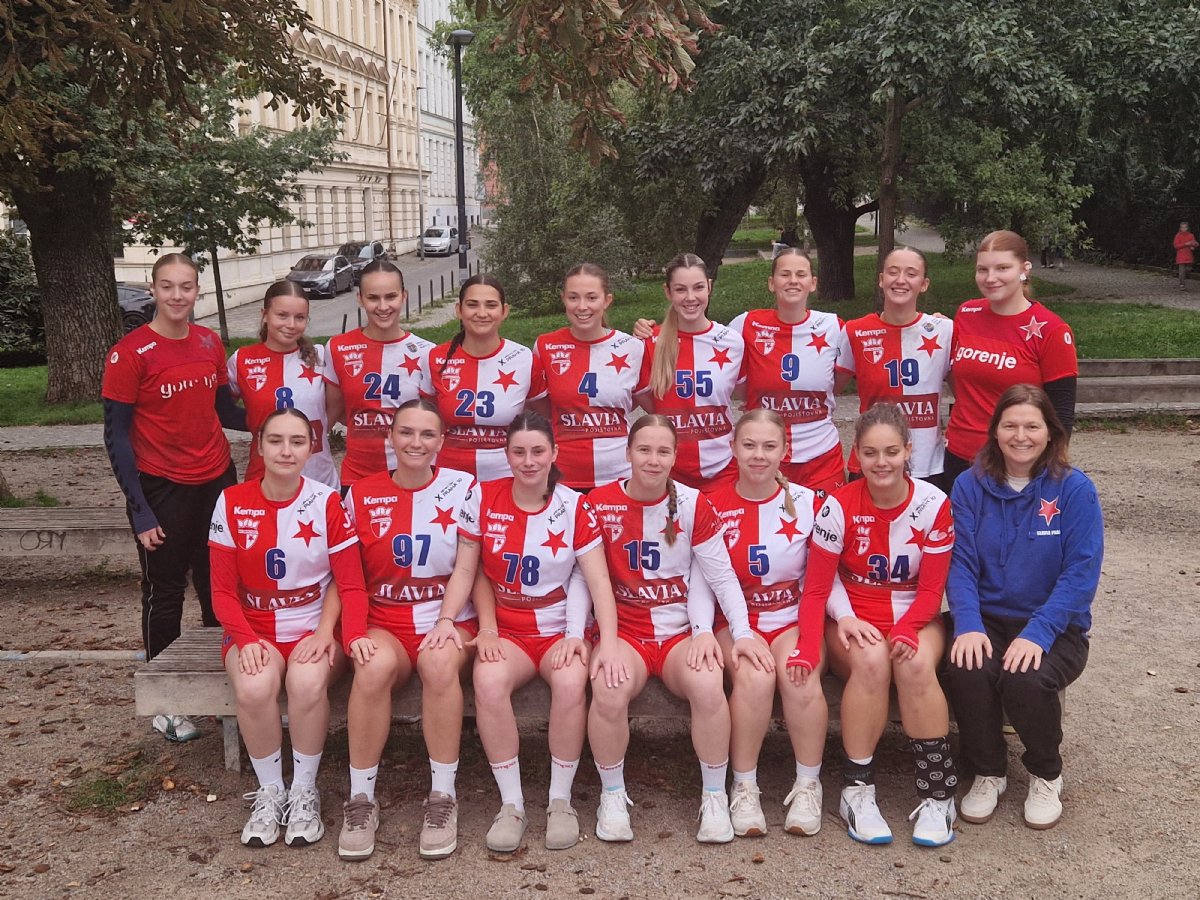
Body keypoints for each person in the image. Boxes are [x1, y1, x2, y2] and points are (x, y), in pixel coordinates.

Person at [587, 415, 772, 844]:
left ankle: (714, 797)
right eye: (644, 450)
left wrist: (739, 632)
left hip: (677, 634)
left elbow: (720, 576)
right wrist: (591, 638)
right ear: (628, 452)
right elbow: (586, 579)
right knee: (608, 688)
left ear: (675, 457)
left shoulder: (692, 503)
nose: (653, 460)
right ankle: (612, 796)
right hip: (626, 633)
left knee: (708, 684)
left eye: (663, 451)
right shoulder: (598, 502)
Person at [451, 411, 624, 853]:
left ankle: (560, 800)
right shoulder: (483, 496)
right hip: (507, 628)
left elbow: (598, 581)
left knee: (570, 681)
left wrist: (605, 640)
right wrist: (481, 627)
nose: (528, 461)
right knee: (488, 680)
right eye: (519, 452)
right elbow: (469, 570)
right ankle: (512, 804)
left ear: (554, 453)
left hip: (558, 628)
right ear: (506, 454)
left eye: (537, 451)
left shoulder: (575, 505)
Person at [788, 402, 958, 847]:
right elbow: (816, 589)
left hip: (914, 613)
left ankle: (938, 794)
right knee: (871, 662)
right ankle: (857, 790)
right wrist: (811, 642)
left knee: (914, 664)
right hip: (854, 616)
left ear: (908, 451)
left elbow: (932, 591)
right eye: (870, 453)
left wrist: (907, 627)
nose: (881, 463)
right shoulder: (838, 505)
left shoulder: (934, 503)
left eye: (891, 452)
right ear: (856, 455)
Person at [944, 384, 1102, 830]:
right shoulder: (969, 485)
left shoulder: (1074, 489)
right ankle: (988, 770)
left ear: (1050, 432)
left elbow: (1080, 573)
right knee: (967, 666)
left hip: (1056, 625)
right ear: (995, 431)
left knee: (1025, 677)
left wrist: (1039, 632)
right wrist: (968, 623)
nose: (1020, 436)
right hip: (988, 618)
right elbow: (960, 563)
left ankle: (1046, 773)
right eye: (1010, 425)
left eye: (1032, 426)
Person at [208, 408, 368, 848]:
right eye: (275, 440)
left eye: (297, 441)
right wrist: (244, 639)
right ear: (259, 446)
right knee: (254, 686)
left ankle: (304, 790)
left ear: (312, 447)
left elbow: (349, 583)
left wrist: (326, 633)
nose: (286, 450)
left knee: (306, 681)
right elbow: (221, 591)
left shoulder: (327, 501)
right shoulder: (231, 501)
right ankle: (270, 792)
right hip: (253, 626)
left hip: (312, 626)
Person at [102, 252, 244, 742]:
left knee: (218, 584)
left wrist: (282, 420)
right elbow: (116, 436)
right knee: (164, 591)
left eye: (186, 287)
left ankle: (223, 687)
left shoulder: (208, 342)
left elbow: (226, 411)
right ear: (153, 289)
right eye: (168, 286)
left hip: (216, 478)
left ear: (197, 291)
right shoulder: (129, 353)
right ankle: (165, 700)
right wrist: (139, 509)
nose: (177, 296)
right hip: (161, 485)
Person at [338, 399, 478, 860]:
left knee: (438, 665)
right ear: (390, 437)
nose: (416, 442)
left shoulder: (463, 488)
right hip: (386, 619)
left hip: (448, 616)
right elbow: (347, 575)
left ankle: (442, 796)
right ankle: (361, 798)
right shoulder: (360, 493)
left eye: (427, 434)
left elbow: (471, 566)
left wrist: (448, 620)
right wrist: (353, 631)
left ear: (441, 441)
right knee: (371, 668)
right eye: (406, 432)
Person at [705, 409, 828, 838]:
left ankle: (808, 784)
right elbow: (702, 579)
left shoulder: (810, 503)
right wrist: (707, 631)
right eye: (749, 445)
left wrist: (841, 620)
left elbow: (823, 578)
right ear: (733, 448)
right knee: (755, 679)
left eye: (769, 446)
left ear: (784, 451)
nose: (759, 455)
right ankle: (744, 786)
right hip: (733, 622)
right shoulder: (711, 503)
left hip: (790, 618)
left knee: (799, 674)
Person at [944, 230, 1077, 487]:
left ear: (1024, 269)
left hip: (1015, 463)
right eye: (982, 269)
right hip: (958, 457)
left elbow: (1061, 413)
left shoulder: (1052, 329)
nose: (990, 278)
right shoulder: (966, 312)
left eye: (1002, 268)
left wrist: (1051, 471)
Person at [837, 247, 954, 491]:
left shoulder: (945, 331)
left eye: (911, 273)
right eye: (893, 272)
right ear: (881, 280)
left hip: (928, 465)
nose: (900, 280)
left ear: (924, 284)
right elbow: (829, 390)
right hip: (873, 462)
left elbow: (965, 391)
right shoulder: (854, 331)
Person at [635, 253, 744, 490]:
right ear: (668, 292)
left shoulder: (733, 342)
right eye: (680, 289)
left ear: (709, 287)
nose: (690, 297)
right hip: (669, 471)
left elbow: (746, 393)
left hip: (724, 468)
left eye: (698, 287)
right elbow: (651, 404)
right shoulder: (649, 342)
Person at [531, 264, 644, 491]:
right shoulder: (545, 345)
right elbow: (541, 409)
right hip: (563, 477)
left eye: (592, 298)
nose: (582, 306)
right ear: (563, 299)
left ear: (607, 300)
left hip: (619, 476)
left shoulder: (632, 347)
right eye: (573, 297)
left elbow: (645, 402)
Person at [422, 275, 544, 482]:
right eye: (472, 305)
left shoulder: (525, 358)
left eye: (491, 305)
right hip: (449, 476)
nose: (481, 313)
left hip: (509, 476)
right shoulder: (434, 357)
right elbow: (428, 419)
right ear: (459, 310)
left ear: (504, 311)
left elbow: (541, 418)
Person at [326, 260, 434, 489]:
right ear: (360, 298)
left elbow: (434, 421)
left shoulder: (427, 352)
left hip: (412, 476)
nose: (383, 306)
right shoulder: (338, 347)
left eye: (391, 296)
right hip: (357, 477)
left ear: (404, 296)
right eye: (373, 298)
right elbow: (334, 412)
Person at [228, 280, 338, 489]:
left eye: (300, 317)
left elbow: (336, 406)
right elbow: (223, 410)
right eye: (282, 315)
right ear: (265, 315)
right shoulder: (242, 359)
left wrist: (315, 432)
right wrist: (256, 424)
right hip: (264, 479)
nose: (291, 324)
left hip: (319, 479)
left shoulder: (321, 356)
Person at [1174, 221, 1198, 291]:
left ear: (1187, 228)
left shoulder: (1191, 235)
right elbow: (1176, 246)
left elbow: (1195, 243)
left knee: (1188, 269)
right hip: (1181, 256)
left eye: (1185, 227)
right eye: (1182, 227)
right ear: (1180, 228)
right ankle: (1182, 284)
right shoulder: (1178, 236)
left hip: (1189, 256)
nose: (1183, 229)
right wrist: (1185, 244)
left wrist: (1193, 246)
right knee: (1182, 272)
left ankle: (1183, 277)